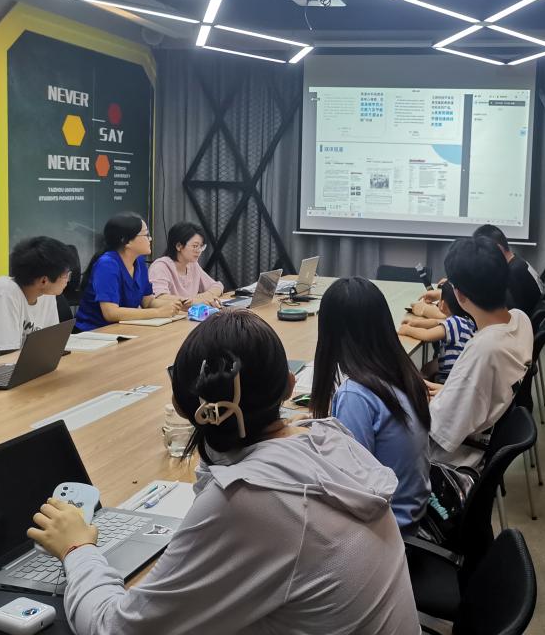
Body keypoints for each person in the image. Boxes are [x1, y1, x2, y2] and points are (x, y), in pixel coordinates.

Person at [28, 309, 420, 634]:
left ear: (179, 406)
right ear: (289, 387)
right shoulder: (329, 441)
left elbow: (115, 629)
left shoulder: (249, 500)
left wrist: (77, 549)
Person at [310, 277, 431, 534]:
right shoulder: (401, 373)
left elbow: (351, 487)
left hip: (388, 531)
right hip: (412, 512)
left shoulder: (356, 395)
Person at [428, 237, 533, 469]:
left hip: (449, 462)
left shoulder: (485, 350)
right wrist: (449, 391)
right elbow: (485, 388)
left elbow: (439, 428)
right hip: (479, 429)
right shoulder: (520, 320)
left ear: (460, 295)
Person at [0, 236, 76, 366]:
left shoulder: (47, 294)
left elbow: (50, 342)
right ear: (44, 281)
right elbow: (8, 357)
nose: (67, 280)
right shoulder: (5, 293)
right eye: (65, 275)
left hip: (16, 369)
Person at [74, 213, 182, 331]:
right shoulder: (107, 264)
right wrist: (158, 312)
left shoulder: (139, 261)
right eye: (146, 235)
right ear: (127, 241)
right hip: (95, 331)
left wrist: (174, 305)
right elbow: (111, 313)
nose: (150, 239)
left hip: (123, 329)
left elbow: (147, 302)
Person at [399, 280, 476, 383]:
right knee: (426, 368)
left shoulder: (453, 323)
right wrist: (415, 323)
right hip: (461, 372)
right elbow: (437, 322)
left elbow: (427, 335)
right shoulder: (466, 320)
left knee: (421, 373)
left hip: (449, 378)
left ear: (442, 304)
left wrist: (408, 330)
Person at [148, 222, 224, 306]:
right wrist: (195, 301)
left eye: (201, 246)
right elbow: (159, 297)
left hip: (190, 313)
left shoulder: (192, 265)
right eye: (195, 246)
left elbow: (217, 286)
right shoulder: (160, 267)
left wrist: (205, 296)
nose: (199, 251)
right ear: (178, 246)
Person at [473, 224, 543, 314]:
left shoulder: (513, 274)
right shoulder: (518, 263)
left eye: (483, 251)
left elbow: (509, 314)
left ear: (498, 249)